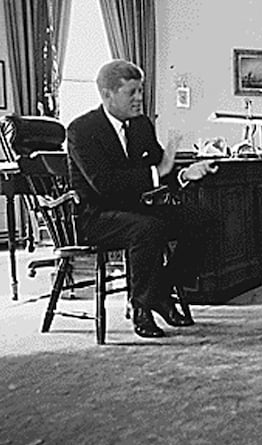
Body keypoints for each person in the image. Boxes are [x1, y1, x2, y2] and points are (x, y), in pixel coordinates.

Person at [67, 60, 218, 339]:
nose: (139, 99)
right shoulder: (81, 130)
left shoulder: (140, 126)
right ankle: (142, 307)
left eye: (140, 91)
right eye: (132, 92)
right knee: (148, 228)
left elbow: (162, 167)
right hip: (96, 217)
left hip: (137, 213)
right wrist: (157, 172)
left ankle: (160, 292)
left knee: (203, 219)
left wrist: (185, 173)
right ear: (107, 94)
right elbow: (104, 185)